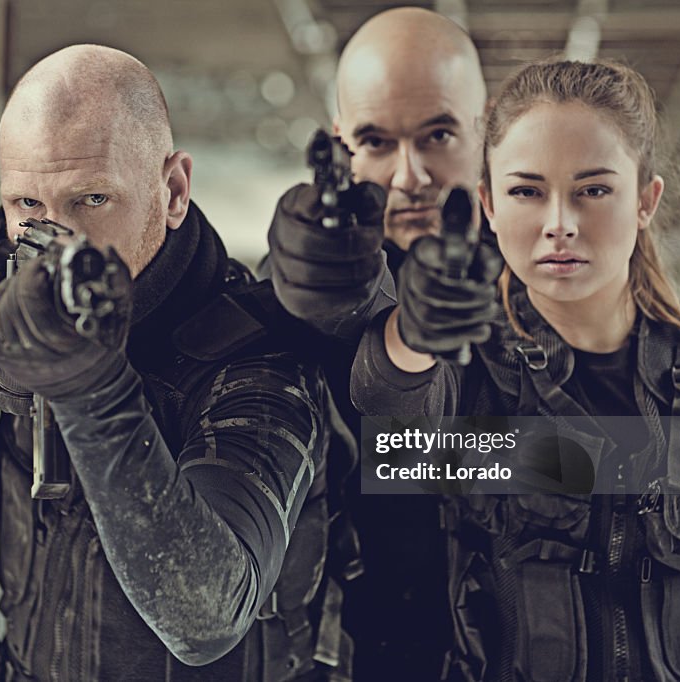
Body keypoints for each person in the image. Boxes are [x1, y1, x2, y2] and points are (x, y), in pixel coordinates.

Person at [0, 45, 349, 681]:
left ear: (172, 191)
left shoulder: (259, 355)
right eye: (27, 204)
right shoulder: (11, 248)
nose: (54, 240)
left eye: (92, 200)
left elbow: (205, 621)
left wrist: (92, 388)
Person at [352, 58, 680, 681]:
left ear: (646, 201)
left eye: (593, 189)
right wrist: (414, 333)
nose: (559, 224)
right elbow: (390, 430)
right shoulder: (464, 369)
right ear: (489, 206)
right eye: (527, 191)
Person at [263, 8, 487, 678]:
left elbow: (620, 467)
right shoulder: (294, 287)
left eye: (438, 134)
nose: (409, 176)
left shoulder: (549, 268)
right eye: (377, 142)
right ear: (342, 145)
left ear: (485, 127)